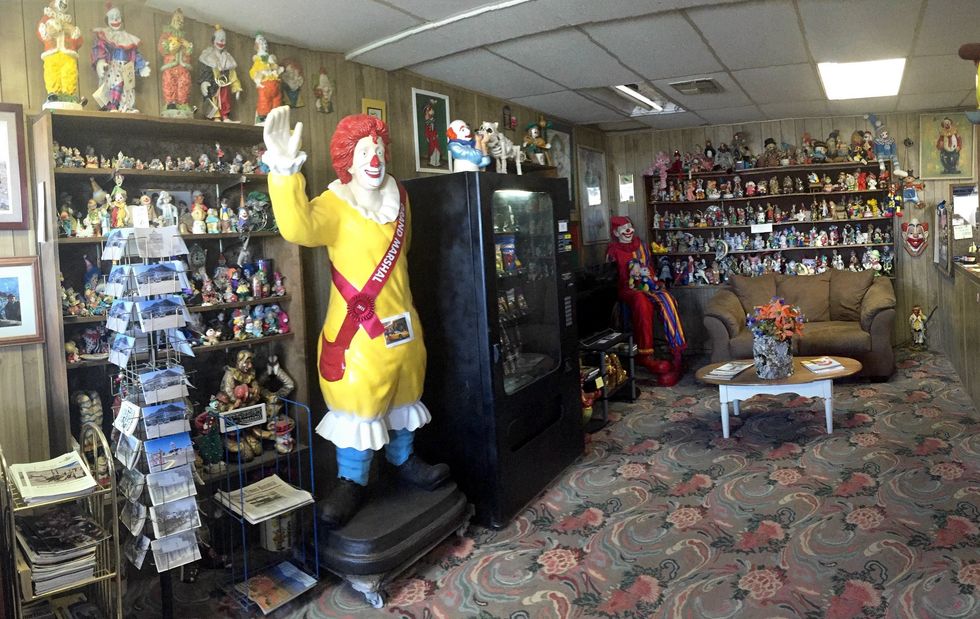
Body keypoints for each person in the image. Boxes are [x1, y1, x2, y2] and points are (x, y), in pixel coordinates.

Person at [263, 106, 449, 528]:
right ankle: (352, 480)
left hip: (402, 324)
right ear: (347, 159)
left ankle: (404, 460)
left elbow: (402, 253)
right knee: (359, 401)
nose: (374, 157)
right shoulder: (336, 203)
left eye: (378, 148)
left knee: (405, 392)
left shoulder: (401, 198)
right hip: (357, 334)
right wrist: (283, 169)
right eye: (364, 150)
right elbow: (297, 228)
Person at [606, 216, 686, 380]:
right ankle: (645, 354)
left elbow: (649, 267)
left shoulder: (641, 245)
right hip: (627, 288)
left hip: (647, 284)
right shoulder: (613, 250)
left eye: (630, 226)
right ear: (616, 232)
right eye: (624, 228)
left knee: (667, 299)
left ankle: (677, 351)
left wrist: (653, 281)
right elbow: (609, 276)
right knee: (641, 301)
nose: (628, 230)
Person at [91, 2, 150, 112]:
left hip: (127, 66)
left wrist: (141, 66)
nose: (115, 20)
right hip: (113, 66)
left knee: (128, 88)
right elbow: (100, 48)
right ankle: (112, 105)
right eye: (112, 18)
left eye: (117, 17)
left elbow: (135, 53)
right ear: (107, 20)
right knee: (116, 84)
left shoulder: (127, 37)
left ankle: (126, 107)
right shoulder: (105, 35)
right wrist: (100, 62)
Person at [37, 0, 84, 108]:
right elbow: (41, 32)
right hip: (52, 54)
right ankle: (54, 93)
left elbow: (79, 41)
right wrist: (48, 31)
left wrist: (73, 32)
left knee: (69, 72)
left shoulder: (69, 24)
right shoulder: (46, 20)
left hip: (68, 54)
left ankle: (69, 94)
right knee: (52, 72)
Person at [199, 24, 242, 122]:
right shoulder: (207, 56)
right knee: (212, 98)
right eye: (219, 39)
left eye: (224, 40)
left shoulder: (227, 57)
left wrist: (237, 87)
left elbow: (232, 75)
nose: (222, 42)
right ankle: (216, 117)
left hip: (224, 83)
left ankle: (225, 116)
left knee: (225, 98)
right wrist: (203, 82)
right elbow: (204, 71)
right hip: (212, 83)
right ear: (213, 40)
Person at [158, 9, 193, 116]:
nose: (180, 21)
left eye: (182, 20)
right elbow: (162, 48)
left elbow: (188, 53)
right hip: (171, 65)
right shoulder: (166, 35)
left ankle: (182, 103)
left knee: (184, 82)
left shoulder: (183, 38)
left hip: (182, 65)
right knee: (169, 82)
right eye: (178, 19)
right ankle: (171, 102)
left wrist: (188, 49)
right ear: (173, 19)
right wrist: (169, 46)